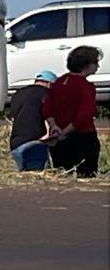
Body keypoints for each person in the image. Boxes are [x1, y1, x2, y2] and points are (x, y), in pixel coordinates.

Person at [42, 45, 103, 178]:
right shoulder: (86, 86)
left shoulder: (59, 82)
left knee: (64, 175)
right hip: (82, 137)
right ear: (86, 65)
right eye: (95, 63)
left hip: (59, 138)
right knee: (85, 175)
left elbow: (47, 108)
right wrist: (66, 131)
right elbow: (85, 114)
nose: (98, 66)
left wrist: (54, 126)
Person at [7, 70, 60, 171]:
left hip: (15, 143)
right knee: (35, 176)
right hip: (35, 142)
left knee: (22, 177)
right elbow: (47, 114)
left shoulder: (17, 94)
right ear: (50, 85)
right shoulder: (46, 94)